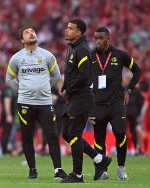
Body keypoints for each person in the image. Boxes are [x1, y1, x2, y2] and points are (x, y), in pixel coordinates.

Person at [5, 26, 68, 180]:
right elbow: (9, 78)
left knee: (52, 135)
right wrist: (21, 91)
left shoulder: (47, 55)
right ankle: (32, 170)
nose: (31, 33)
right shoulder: (17, 58)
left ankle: (58, 170)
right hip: (25, 103)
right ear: (22, 40)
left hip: (45, 103)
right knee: (27, 137)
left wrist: (45, 87)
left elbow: (56, 76)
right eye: (26, 32)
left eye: (32, 31)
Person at [60, 19, 112, 183]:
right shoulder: (74, 48)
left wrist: (69, 89)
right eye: (67, 27)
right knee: (67, 134)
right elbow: (74, 74)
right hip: (74, 97)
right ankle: (99, 159)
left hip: (81, 98)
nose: (67, 30)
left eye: (71, 28)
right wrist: (66, 88)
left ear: (79, 33)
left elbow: (84, 76)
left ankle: (77, 175)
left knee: (74, 135)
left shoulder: (82, 49)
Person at [90, 27, 141, 180]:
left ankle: (121, 167)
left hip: (116, 103)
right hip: (97, 104)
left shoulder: (119, 55)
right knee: (99, 138)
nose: (98, 41)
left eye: (101, 38)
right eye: (96, 38)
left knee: (120, 133)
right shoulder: (90, 56)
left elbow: (137, 71)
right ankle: (102, 169)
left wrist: (129, 89)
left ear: (108, 38)